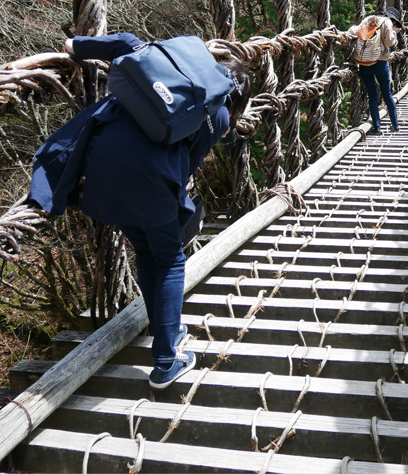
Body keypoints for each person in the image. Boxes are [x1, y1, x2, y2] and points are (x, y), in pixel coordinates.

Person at [29, 32, 251, 390]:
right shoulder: (220, 115)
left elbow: (119, 42)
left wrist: (75, 47)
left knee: (148, 255)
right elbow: (188, 165)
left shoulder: (156, 65)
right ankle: (166, 361)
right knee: (168, 258)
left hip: (96, 170)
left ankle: (168, 329)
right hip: (150, 181)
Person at [348, 7, 403, 134]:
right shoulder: (388, 23)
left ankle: (377, 127)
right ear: (393, 20)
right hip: (380, 62)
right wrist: (394, 32)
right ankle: (395, 125)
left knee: (371, 94)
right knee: (387, 94)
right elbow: (389, 43)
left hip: (364, 63)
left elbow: (354, 32)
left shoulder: (369, 19)